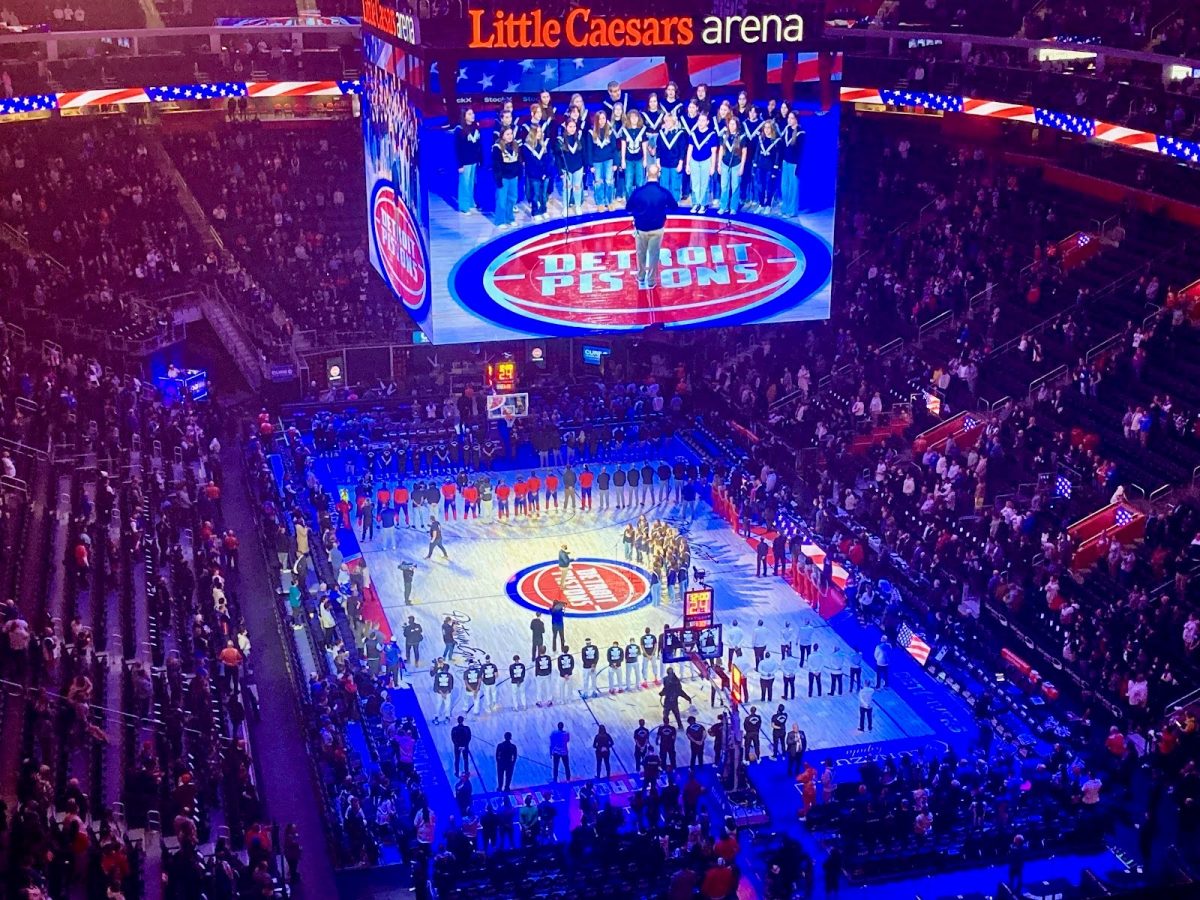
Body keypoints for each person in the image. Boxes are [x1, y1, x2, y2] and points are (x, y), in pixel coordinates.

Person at [626, 162, 675, 290]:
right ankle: (651, 280)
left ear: (647, 174)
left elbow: (628, 208)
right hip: (657, 229)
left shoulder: (638, 192)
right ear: (658, 175)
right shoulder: (664, 192)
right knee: (654, 255)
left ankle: (641, 277)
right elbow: (674, 207)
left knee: (640, 253)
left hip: (641, 229)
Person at [686, 111, 716, 213]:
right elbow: (690, 149)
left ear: (707, 122)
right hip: (694, 161)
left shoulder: (712, 134)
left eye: (703, 121)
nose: (701, 123)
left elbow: (714, 151)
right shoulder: (693, 133)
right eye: (699, 120)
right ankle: (695, 203)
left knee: (704, 184)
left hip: (706, 161)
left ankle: (703, 204)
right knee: (694, 183)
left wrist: (712, 166)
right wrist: (687, 164)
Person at [492, 124, 521, 229]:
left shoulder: (515, 145)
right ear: (502, 135)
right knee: (501, 200)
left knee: (512, 199)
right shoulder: (497, 148)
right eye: (507, 134)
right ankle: (500, 220)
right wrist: (498, 179)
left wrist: (519, 173)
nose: (510, 136)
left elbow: (519, 161)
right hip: (503, 178)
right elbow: (496, 165)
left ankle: (510, 218)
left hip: (514, 177)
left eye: (511, 134)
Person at [716, 114, 746, 215]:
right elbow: (721, 150)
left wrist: (742, 167)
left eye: (733, 124)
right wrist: (719, 164)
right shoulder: (724, 135)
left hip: (736, 164)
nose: (731, 126)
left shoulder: (742, 137)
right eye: (730, 124)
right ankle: (723, 206)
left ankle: (733, 207)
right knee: (724, 186)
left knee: (735, 186)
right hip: (725, 163)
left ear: (737, 125)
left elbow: (744, 153)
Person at [455, 108, 482, 213]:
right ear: (464, 116)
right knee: (464, 184)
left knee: (471, 183)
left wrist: (480, 159)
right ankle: (464, 206)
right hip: (464, 162)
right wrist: (460, 164)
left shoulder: (476, 127)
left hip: (474, 160)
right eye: (470, 114)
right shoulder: (459, 129)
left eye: (473, 113)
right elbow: (457, 148)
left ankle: (471, 202)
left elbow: (478, 145)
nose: (473, 115)